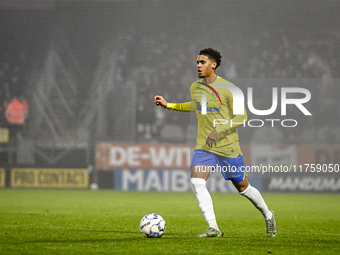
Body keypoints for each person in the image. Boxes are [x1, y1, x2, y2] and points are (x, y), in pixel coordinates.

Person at [154, 48, 278, 238]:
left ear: (214, 64)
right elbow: (196, 106)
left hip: (228, 147)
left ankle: (268, 214)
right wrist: (169, 105)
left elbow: (242, 117)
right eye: (197, 62)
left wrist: (218, 130)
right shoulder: (195, 87)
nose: (198, 65)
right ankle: (214, 227)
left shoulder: (230, 89)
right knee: (197, 181)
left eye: (202, 62)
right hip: (205, 146)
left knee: (243, 188)